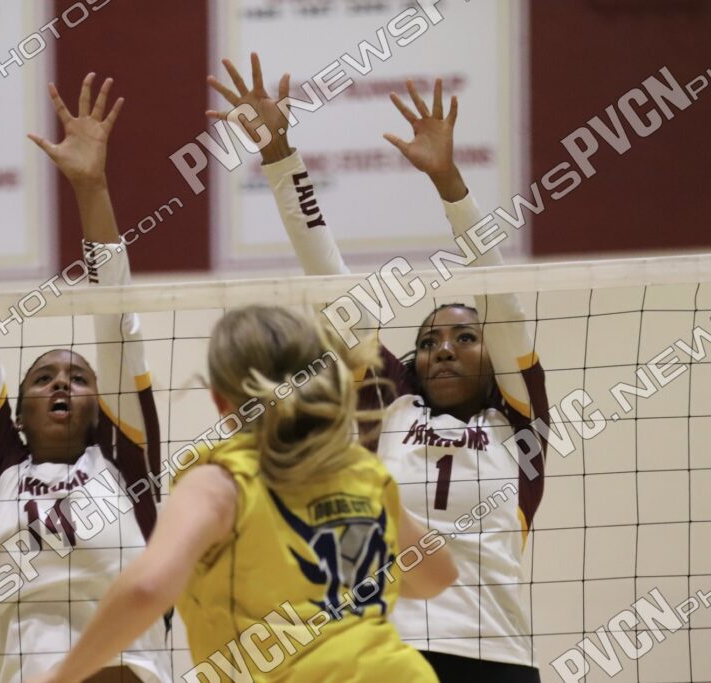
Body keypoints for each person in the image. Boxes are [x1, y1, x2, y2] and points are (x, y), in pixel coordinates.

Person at [208, 54, 549, 682]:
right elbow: (328, 275)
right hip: (388, 655)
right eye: (430, 340)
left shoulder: (520, 421)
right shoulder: (391, 402)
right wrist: (279, 154)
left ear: (493, 355)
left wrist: (450, 182)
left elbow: (502, 297)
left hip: (498, 656)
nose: (445, 348)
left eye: (465, 337)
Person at [23, 304, 457, 683]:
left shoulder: (220, 480)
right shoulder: (362, 472)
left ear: (220, 400)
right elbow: (438, 575)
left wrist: (61, 675)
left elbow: (147, 587)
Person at [0, 74, 171, 683]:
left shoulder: (124, 459)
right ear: (17, 413)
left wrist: (92, 185)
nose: (59, 385)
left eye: (77, 378)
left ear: (102, 407)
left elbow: (117, 319)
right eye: (43, 378)